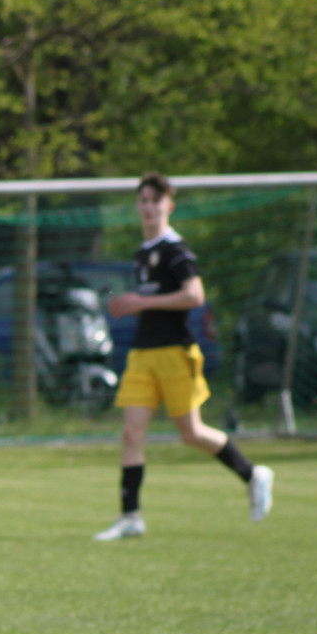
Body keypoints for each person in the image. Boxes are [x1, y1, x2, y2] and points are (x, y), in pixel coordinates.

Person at [94, 172, 273, 541]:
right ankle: (131, 516)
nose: (148, 207)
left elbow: (195, 296)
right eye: (143, 200)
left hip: (176, 352)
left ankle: (253, 474)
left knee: (191, 432)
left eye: (155, 201)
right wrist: (132, 307)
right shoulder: (142, 252)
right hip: (143, 354)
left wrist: (141, 302)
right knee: (131, 433)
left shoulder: (176, 250)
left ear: (168, 206)